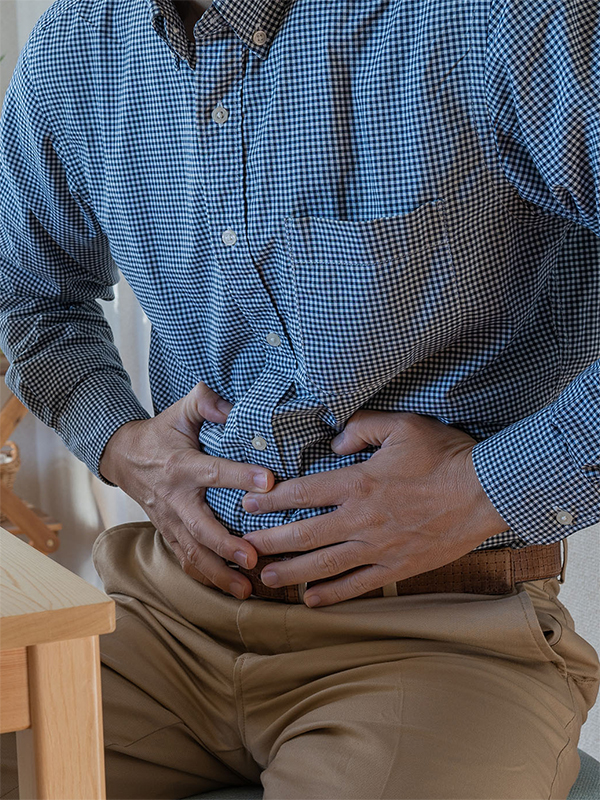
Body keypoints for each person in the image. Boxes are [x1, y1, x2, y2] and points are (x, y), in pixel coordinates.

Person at [0, 0, 599, 797]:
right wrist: (122, 445)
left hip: (444, 637)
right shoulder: (77, 42)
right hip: (162, 614)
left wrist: (483, 488)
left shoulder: (512, 18)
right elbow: (32, 298)